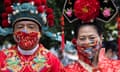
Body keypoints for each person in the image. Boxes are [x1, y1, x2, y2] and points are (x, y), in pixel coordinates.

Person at [0, 0, 64, 72]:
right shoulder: (1, 58)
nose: (25, 31)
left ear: (40, 32)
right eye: (20, 27)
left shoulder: (52, 61)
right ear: (13, 32)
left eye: (31, 27)